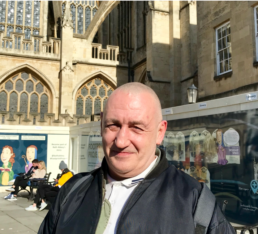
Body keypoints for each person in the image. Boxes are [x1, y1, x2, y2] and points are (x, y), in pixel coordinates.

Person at [38, 83, 235, 234]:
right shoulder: (72, 192)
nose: (121, 140)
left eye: (136, 127)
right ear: (101, 126)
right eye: (113, 125)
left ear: (160, 132)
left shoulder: (197, 203)